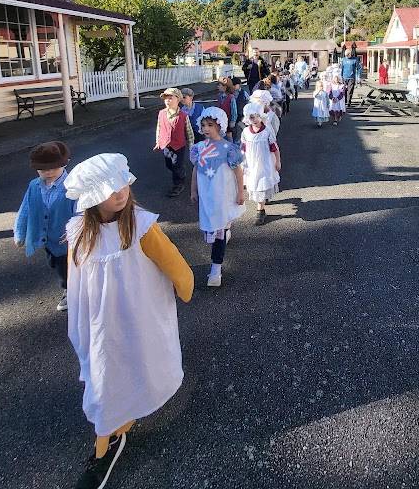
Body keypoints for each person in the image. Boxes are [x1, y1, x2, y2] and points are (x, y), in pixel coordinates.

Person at [64, 153, 194, 489]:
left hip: (137, 313)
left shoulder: (140, 226)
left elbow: (172, 260)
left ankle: (110, 434)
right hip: (100, 319)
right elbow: (77, 276)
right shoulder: (79, 231)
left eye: (122, 184)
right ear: (93, 199)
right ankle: (109, 435)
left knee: (134, 361)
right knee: (107, 369)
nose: (120, 192)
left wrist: (184, 284)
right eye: (110, 190)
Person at [13, 141, 76, 312]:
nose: (48, 172)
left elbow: (81, 211)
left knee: (67, 268)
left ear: (64, 163)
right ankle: (72, 286)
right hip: (48, 239)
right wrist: (20, 232)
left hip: (68, 239)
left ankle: (70, 292)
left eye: (53, 168)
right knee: (54, 263)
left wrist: (77, 229)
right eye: (42, 169)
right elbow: (25, 208)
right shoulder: (34, 185)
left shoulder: (72, 185)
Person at [190, 107, 245, 288]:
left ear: (219, 125)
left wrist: (240, 192)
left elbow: (238, 171)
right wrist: (193, 190)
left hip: (223, 196)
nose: (206, 128)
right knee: (210, 229)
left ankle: (216, 267)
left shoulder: (229, 148)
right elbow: (196, 169)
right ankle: (225, 233)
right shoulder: (199, 148)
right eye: (204, 125)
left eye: (211, 125)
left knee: (219, 230)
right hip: (207, 198)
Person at [240, 102, 281, 226]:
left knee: (261, 183)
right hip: (251, 163)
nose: (254, 120)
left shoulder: (267, 131)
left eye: (256, 116)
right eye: (250, 117)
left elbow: (274, 148)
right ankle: (261, 204)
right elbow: (243, 149)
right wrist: (241, 163)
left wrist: (278, 161)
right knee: (254, 184)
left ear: (260, 116)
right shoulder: (246, 132)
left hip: (264, 162)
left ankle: (260, 210)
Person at [154, 88, 195, 197]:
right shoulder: (161, 113)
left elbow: (189, 131)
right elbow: (159, 127)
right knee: (169, 164)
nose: (167, 100)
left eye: (170, 98)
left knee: (177, 165)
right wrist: (158, 141)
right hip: (166, 145)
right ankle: (180, 171)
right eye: (166, 98)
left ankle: (178, 184)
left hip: (179, 146)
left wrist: (191, 146)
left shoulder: (183, 115)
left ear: (178, 100)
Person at [230, 76, 250, 143]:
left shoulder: (244, 93)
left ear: (239, 84)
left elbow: (248, 102)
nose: (233, 86)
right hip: (232, 115)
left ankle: (243, 141)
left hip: (241, 114)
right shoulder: (230, 93)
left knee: (242, 129)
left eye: (235, 85)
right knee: (233, 129)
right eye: (232, 85)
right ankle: (234, 141)